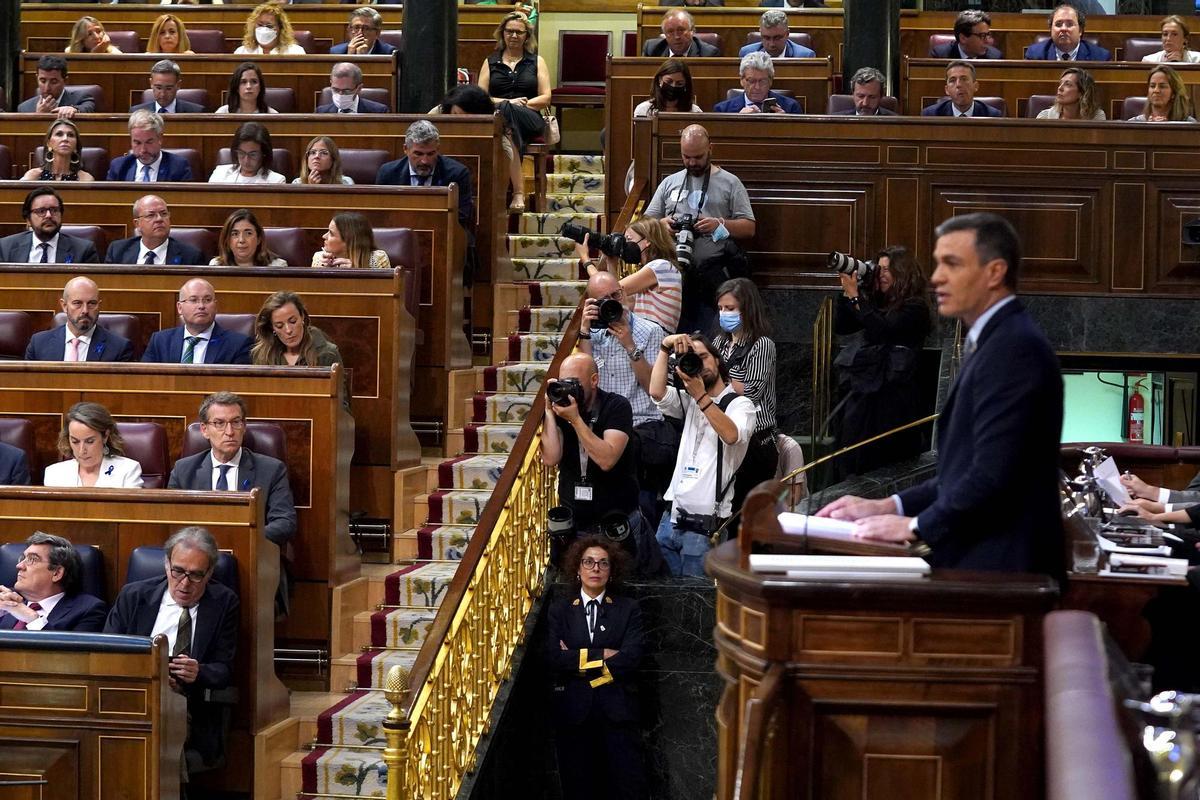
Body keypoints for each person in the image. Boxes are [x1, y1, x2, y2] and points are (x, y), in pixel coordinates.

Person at [817, 213, 1064, 576]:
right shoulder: (995, 339)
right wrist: (889, 505)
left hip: (1004, 573)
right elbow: (959, 475)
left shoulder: (1016, 348)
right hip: (982, 563)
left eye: (952, 264)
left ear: (994, 272)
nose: (936, 278)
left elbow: (993, 477)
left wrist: (915, 527)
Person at [103, 527, 239, 773]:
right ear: (166, 565)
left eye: (196, 575)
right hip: (130, 696)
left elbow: (224, 670)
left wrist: (199, 672)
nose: (185, 583)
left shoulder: (224, 602)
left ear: (209, 574)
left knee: (158, 733)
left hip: (188, 706)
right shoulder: (134, 596)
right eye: (178, 571)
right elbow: (106, 653)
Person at [546, 536, 648, 800]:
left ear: (611, 571)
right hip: (574, 712)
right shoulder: (561, 610)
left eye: (603, 563)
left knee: (626, 787)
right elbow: (554, 658)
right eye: (588, 562)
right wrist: (601, 654)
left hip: (617, 712)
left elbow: (631, 658)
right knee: (579, 787)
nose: (596, 568)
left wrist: (583, 669)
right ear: (577, 569)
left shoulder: (628, 609)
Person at [540, 354, 658, 573]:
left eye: (574, 382)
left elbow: (607, 459)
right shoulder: (559, 409)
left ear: (594, 380)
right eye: (563, 382)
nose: (568, 390)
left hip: (615, 523)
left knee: (622, 590)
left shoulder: (616, 406)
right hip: (576, 524)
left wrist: (575, 420)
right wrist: (548, 412)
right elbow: (551, 457)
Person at [650, 332, 755, 576]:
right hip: (671, 518)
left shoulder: (740, 405)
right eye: (691, 359)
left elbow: (731, 435)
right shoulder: (690, 400)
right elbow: (656, 392)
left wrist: (700, 395)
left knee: (694, 607)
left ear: (717, 360)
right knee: (665, 603)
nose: (699, 363)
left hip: (706, 525)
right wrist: (665, 349)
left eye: (704, 357)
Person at [643, 124, 756, 334]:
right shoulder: (669, 183)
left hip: (712, 273)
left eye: (698, 157)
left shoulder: (731, 183)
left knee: (710, 334)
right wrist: (660, 225)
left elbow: (749, 227)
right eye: (686, 157)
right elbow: (644, 223)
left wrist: (720, 224)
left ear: (710, 149)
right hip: (674, 272)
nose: (692, 163)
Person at [831, 247, 932, 478]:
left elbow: (882, 330)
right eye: (879, 269)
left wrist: (857, 297)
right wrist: (846, 293)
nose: (882, 274)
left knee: (885, 461)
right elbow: (843, 326)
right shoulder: (877, 304)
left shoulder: (915, 307)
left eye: (888, 269)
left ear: (904, 273)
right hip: (867, 395)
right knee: (854, 455)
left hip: (895, 400)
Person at [167, 393, 297, 551]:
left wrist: (240, 539)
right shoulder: (183, 470)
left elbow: (285, 522)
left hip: (250, 551)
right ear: (204, 429)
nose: (229, 431)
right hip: (197, 556)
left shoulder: (272, 470)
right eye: (219, 423)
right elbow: (171, 521)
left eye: (236, 422)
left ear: (244, 426)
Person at [712, 278, 779, 517]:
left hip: (756, 439)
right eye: (721, 309)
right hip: (725, 433)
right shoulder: (719, 342)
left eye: (730, 309)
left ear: (746, 309)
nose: (724, 314)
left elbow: (751, 392)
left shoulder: (762, 345)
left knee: (748, 515)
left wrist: (721, 380)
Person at [479, 11, 551, 213]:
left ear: (527, 36)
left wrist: (520, 105)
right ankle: (518, 193)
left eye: (519, 32)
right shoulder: (490, 62)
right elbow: (481, 98)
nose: (514, 36)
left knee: (506, 117)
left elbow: (546, 97)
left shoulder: (536, 61)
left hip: (531, 118)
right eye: (509, 31)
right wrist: (508, 102)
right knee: (507, 122)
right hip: (501, 119)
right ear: (502, 34)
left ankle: (512, 192)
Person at [575, 217, 682, 336]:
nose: (624, 246)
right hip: (646, 337)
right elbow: (616, 298)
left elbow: (609, 288)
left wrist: (586, 259)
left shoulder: (661, 266)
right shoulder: (651, 273)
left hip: (655, 340)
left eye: (629, 240)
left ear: (647, 241)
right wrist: (612, 262)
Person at [377, 121, 475, 235]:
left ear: (437, 149)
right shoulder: (388, 173)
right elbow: (381, 216)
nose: (425, 161)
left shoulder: (457, 174)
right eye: (418, 154)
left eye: (430, 154)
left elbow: (461, 218)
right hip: (398, 235)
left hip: (442, 235)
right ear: (405, 149)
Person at [0, 533, 107, 632]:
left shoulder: (88, 610)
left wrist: (32, 619)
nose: (19, 566)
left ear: (57, 573)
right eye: (22, 558)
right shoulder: (7, 599)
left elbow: (70, 652)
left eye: (32, 559)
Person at [142, 278, 253, 365]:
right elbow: (145, 380)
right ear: (180, 308)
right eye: (193, 300)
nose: (201, 306)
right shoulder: (160, 341)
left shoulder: (237, 344)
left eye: (207, 300)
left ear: (215, 306)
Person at [25, 276, 135, 362]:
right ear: (64, 305)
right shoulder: (39, 343)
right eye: (77, 303)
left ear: (99, 306)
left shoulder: (119, 348)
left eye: (92, 303)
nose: (85, 310)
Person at [44, 401, 144, 488]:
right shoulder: (54, 473)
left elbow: (130, 510)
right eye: (75, 442)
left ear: (105, 436)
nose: (81, 450)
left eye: (89, 441)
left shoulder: (128, 470)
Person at [0, 188, 99, 264]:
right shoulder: (6, 247)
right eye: (41, 211)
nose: (49, 215)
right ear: (28, 220)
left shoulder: (83, 250)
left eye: (54, 210)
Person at [251, 291, 343, 367]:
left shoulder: (327, 354)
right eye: (279, 326)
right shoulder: (263, 355)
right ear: (272, 327)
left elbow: (339, 389)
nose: (288, 330)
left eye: (293, 321)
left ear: (302, 317)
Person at [106, 196, 205, 266]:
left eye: (163, 214)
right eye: (151, 215)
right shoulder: (117, 251)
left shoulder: (190, 256)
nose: (159, 219)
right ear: (137, 224)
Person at [106, 110, 194, 182]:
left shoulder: (178, 167)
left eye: (149, 142)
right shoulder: (119, 166)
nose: (143, 150)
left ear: (160, 139)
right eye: (137, 143)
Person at [714, 51, 802, 114]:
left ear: (770, 81)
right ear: (741, 80)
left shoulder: (791, 108)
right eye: (751, 81)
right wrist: (738, 122)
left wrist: (785, 125)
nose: (757, 87)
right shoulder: (722, 110)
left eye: (762, 81)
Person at [17, 55, 97, 118]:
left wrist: (74, 109)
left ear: (65, 81)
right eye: (43, 81)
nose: (47, 88)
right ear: (36, 78)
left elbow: (88, 108)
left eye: (54, 82)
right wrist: (38, 116)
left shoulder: (81, 98)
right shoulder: (24, 108)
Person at [1024, 4, 1111, 61]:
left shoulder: (1100, 57)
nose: (1064, 29)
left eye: (1069, 24)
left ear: (1080, 30)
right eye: (1058, 24)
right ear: (1050, 30)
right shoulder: (1035, 55)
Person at [208, 122, 286, 184]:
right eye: (241, 153)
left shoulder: (276, 181)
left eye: (253, 155)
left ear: (264, 154)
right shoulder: (220, 173)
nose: (246, 160)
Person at [210, 208, 288, 267]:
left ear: (259, 239)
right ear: (227, 240)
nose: (241, 240)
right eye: (235, 234)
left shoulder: (278, 266)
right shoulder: (216, 265)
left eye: (248, 233)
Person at [21, 120, 94, 182]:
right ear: (49, 143)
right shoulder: (33, 176)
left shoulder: (84, 179)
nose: (65, 139)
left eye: (70, 135)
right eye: (59, 134)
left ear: (76, 146)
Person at [921, 61, 1002, 118]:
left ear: (975, 86)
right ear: (947, 90)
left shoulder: (992, 115)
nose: (958, 85)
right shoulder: (931, 115)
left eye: (964, 79)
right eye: (952, 80)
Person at [312, 212, 391, 269]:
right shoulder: (319, 258)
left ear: (348, 241)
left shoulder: (378, 258)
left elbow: (384, 291)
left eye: (331, 234)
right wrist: (325, 273)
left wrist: (355, 274)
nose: (324, 236)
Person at [634, 59, 702, 118]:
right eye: (669, 81)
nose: (673, 86)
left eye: (679, 83)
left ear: (685, 85)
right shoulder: (644, 110)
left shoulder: (695, 111)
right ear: (660, 79)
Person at [131, 60, 205, 114]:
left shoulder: (196, 112)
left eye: (169, 88)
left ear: (178, 85)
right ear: (151, 83)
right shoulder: (136, 112)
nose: (163, 94)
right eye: (158, 88)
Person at [316, 62, 390, 114]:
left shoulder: (379, 112)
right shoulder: (321, 112)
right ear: (331, 84)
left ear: (359, 88)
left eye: (346, 91)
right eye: (336, 90)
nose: (340, 95)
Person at [642, 9, 719, 58]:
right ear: (664, 34)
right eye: (670, 31)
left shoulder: (709, 54)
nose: (676, 37)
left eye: (681, 30)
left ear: (692, 31)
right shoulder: (651, 50)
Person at [739, 10, 815, 59]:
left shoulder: (805, 56)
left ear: (787, 34)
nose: (772, 44)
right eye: (766, 38)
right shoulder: (746, 54)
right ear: (761, 34)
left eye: (777, 38)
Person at [234, 2, 305, 55]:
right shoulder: (242, 52)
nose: (264, 29)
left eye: (269, 26)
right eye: (260, 25)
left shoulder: (295, 52)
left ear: (280, 28)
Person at [1130, 65, 1196, 122]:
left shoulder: (1189, 125)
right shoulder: (1133, 124)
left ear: (1174, 93)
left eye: (1162, 86)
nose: (1156, 90)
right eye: (1152, 86)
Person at [1037, 67, 1105, 120]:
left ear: (1082, 92)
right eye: (1060, 83)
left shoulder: (1096, 117)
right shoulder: (1045, 117)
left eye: (1068, 84)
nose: (1060, 88)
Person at [931, 10, 1002, 59]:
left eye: (988, 35)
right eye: (982, 36)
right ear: (963, 38)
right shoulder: (940, 55)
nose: (987, 41)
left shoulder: (995, 57)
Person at [215, 62, 280, 114]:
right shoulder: (223, 113)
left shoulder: (272, 114)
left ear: (260, 87)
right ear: (236, 87)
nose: (248, 86)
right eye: (243, 82)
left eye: (254, 82)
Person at [330, 7, 395, 56]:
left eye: (366, 28)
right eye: (356, 27)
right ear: (349, 30)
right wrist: (349, 57)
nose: (360, 33)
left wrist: (363, 58)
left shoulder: (388, 53)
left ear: (377, 33)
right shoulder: (336, 52)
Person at [833, 67, 898, 117]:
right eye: (860, 96)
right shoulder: (836, 121)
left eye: (872, 97)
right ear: (853, 94)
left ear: (881, 96)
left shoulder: (895, 122)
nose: (865, 103)